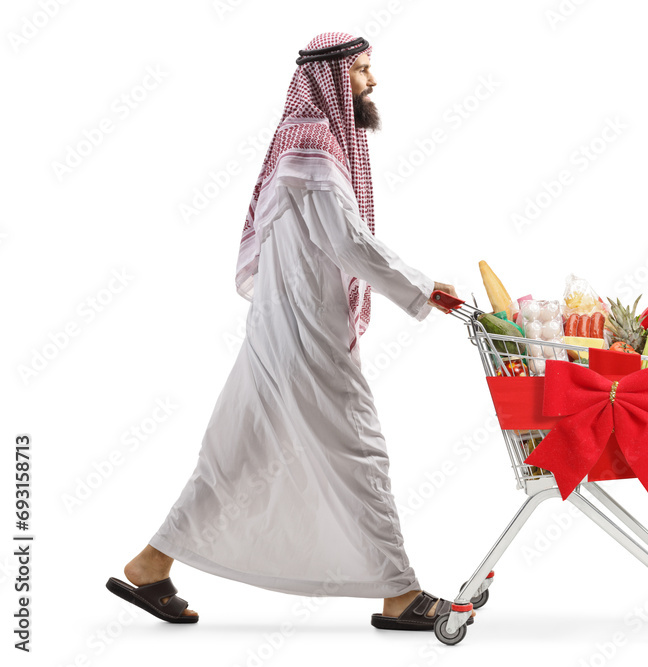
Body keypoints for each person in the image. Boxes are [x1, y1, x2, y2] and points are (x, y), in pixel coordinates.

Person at [105, 31, 475, 632]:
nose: (371, 81)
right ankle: (400, 594)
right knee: (361, 452)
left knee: (235, 454)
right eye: (361, 70)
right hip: (305, 334)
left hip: (278, 328)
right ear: (330, 76)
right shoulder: (311, 142)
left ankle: (151, 563)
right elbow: (345, 241)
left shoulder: (303, 140)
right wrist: (423, 287)